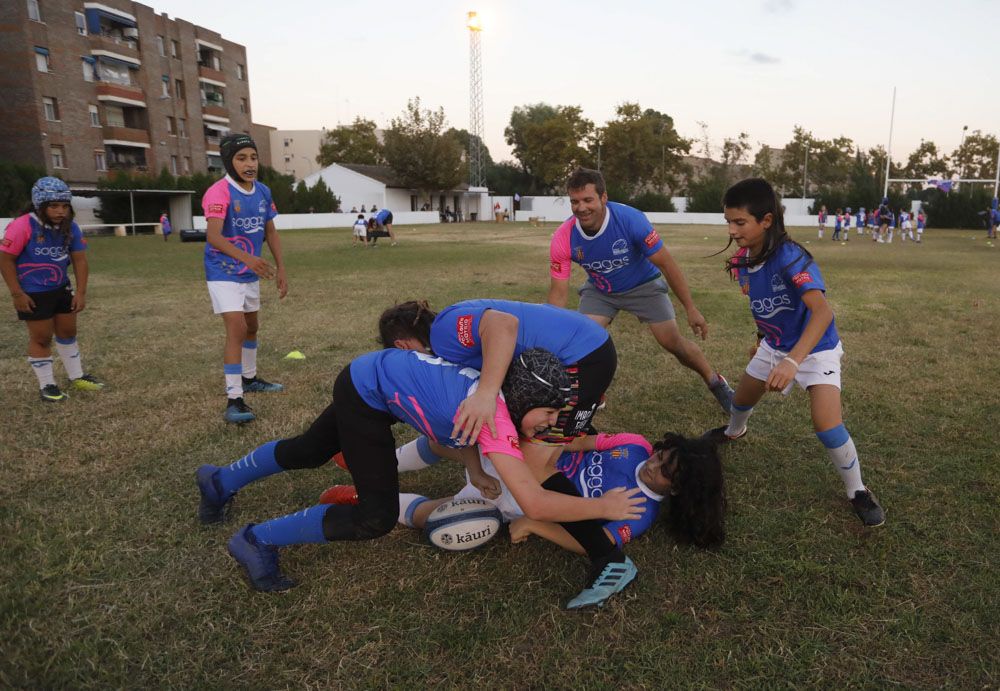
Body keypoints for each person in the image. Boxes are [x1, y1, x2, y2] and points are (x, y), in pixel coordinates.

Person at [197, 348, 646, 608]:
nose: (549, 423)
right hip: (368, 396)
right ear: (526, 396)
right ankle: (257, 540)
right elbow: (535, 503)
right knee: (374, 518)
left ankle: (219, 480)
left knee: (307, 450)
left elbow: (460, 428)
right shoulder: (497, 420)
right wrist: (604, 508)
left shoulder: (493, 397)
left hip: (364, 373)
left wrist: (472, 467)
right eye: (548, 412)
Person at [705, 177, 885, 528]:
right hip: (775, 347)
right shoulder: (743, 259)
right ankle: (734, 432)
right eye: (728, 221)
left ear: (766, 220)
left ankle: (858, 491)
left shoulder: (791, 258)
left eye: (740, 222)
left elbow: (823, 313)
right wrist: (764, 339)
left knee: (827, 424)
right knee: (741, 398)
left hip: (815, 350)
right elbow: (764, 306)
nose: (732, 230)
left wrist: (792, 360)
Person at [320, 430, 727, 554]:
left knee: (447, 517)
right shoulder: (635, 445)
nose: (653, 463)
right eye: (662, 455)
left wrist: (535, 523)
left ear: (675, 491)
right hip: (523, 460)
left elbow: (592, 544)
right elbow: (583, 442)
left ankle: (363, 499)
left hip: (516, 500)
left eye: (663, 472)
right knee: (457, 440)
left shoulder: (638, 513)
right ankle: (378, 463)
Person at [547, 167, 734, 415]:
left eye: (588, 200)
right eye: (575, 201)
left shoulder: (630, 219)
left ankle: (715, 382)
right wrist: (548, 337)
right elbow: (558, 293)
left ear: (603, 198)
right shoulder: (564, 236)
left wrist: (691, 308)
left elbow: (667, 264)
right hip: (601, 289)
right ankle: (594, 393)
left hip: (643, 286)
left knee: (672, 342)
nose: (581, 208)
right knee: (580, 340)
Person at [377, 298, 615, 447]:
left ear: (402, 346)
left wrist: (485, 394)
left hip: (585, 356)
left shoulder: (442, 332)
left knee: (540, 459)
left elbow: (503, 324)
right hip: (586, 350)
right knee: (559, 437)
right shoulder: (444, 338)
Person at [201, 133, 288, 424]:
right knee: (237, 328)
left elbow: (271, 232)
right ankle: (234, 398)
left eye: (253, 157)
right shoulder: (219, 192)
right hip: (223, 271)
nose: (249, 163)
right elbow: (213, 236)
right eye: (241, 158)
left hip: (250, 273)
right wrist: (249, 258)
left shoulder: (262, 191)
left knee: (252, 326)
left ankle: (250, 378)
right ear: (229, 161)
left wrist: (282, 269)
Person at [0, 177, 104, 401]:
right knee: (42, 338)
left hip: (61, 288)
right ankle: (47, 385)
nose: (61, 212)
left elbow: (80, 260)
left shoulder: (71, 227)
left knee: (68, 332)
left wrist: (82, 292)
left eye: (65, 206)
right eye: (54, 206)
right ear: (40, 205)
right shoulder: (22, 225)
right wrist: (17, 294)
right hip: (33, 292)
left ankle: (77, 376)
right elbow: (5, 260)